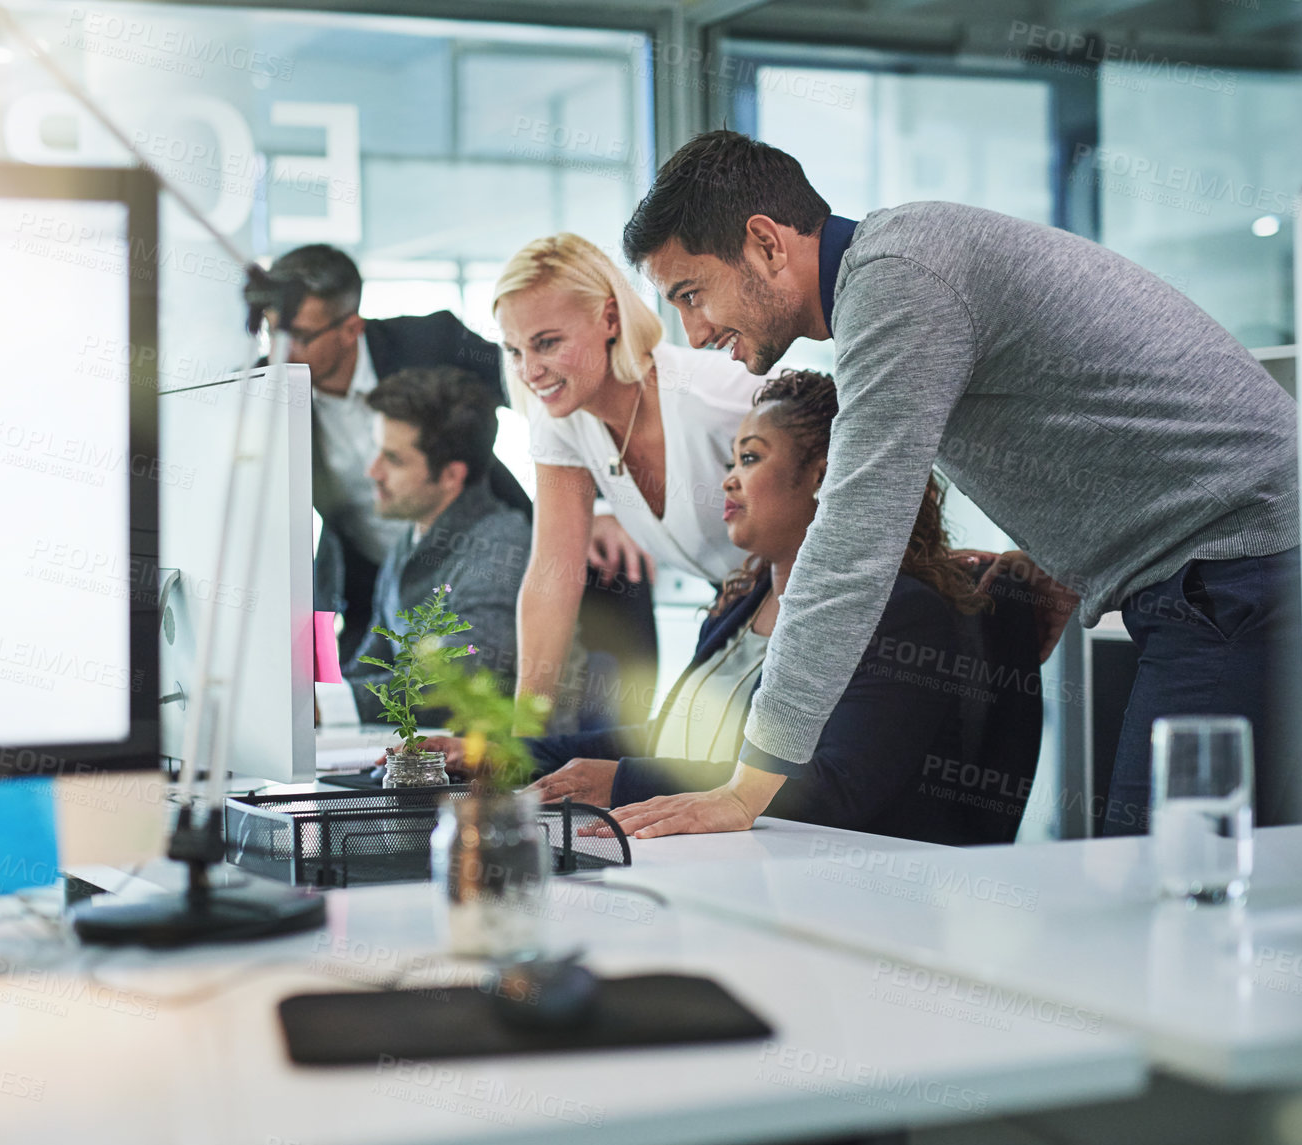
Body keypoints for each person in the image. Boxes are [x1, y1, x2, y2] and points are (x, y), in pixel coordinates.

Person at [612, 129, 1302, 839]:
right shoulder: (902, 266)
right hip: (1237, 562)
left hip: (1239, 565)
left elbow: (853, 536)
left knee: (1175, 869)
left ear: (764, 242)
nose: (693, 333)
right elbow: (1077, 403)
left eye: (691, 295)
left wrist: (745, 787)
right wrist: (1063, 558)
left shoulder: (897, 282)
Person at [421, 370, 1039, 845]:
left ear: (824, 476)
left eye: (749, 458)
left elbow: (837, 791)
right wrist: (505, 752)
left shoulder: (900, 613)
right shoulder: (740, 604)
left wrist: (623, 781)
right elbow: (676, 738)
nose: (727, 480)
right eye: (729, 461)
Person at [266, 244, 654, 679]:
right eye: (271, 331)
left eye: (299, 335)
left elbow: (548, 392)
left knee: (477, 683)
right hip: (375, 578)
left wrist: (597, 503)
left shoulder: (431, 342)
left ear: (350, 327)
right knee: (355, 699)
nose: (280, 351)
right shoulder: (264, 392)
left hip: (479, 553)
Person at [492, 233, 766, 728]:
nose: (530, 371)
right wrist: (520, 738)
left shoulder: (718, 397)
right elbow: (552, 576)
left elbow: (852, 470)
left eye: (547, 343)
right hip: (742, 620)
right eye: (514, 350)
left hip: (818, 607)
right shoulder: (560, 418)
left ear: (610, 319)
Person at [313, 366, 531, 727]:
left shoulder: (500, 546)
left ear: (450, 475)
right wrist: (316, 700)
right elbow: (372, 664)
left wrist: (331, 706)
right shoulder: (410, 539)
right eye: (378, 452)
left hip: (484, 770)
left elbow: (457, 682)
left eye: (394, 459)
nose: (373, 472)